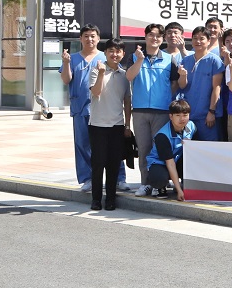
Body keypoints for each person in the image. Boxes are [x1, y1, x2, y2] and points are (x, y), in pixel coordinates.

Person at [61, 24, 124, 192]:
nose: (89, 39)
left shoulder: (106, 56)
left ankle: (119, 178)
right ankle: (87, 178)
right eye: (86, 36)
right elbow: (66, 80)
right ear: (80, 39)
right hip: (80, 107)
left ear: (98, 39)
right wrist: (66, 63)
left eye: (93, 36)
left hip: (104, 109)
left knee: (112, 145)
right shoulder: (73, 58)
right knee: (82, 144)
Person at [127, 23, 185, 197]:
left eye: (158, 36)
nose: (155, 38)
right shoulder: (135, 56)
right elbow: (129, 76)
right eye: (151, 35)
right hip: (140, 110)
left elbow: (175, 83)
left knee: (159, 148)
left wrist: (164, 95)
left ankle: (159, 183)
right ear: (145, 37)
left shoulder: (169, 59)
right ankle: (145, 183)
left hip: (161, 111)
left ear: (162, 39)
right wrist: (139, 60)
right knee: (143, 148)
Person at [87, 38, 132, 211]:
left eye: (118, 51)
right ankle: (96, 199)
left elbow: (127, 102)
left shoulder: (124, 75)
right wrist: (101, 73)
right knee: (98, 164)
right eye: (111, 51)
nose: (114, 54)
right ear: (105, 52)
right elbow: (96, 92)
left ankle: (111, 199)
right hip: (97, 124)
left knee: (113, 164)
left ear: (123, 54)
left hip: (117, 125)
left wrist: (127, 125)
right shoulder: (95, 70)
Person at [176, 26, 225, 142]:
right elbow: (182, 86)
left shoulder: (215, 60)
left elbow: (216, 88)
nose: (198, 41)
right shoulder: (186, 60)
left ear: (208, 41)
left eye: (202, 38)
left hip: (206, 115)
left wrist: (211, 111)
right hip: (188, 114)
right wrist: (182, 76)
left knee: (209, 148)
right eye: (195, 38)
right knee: (188, 147)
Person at [144, 99, 195, 202]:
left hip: (177, 159)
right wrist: (179, 191)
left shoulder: (191, 126)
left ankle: (184, 184)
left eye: (185, 115)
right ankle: (159, 187)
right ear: (171, 116)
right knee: (159, 177)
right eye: (178, 115)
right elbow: (170, 164)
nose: (182, 119)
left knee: (194, 162)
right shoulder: (162, 136)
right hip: (160, 162)